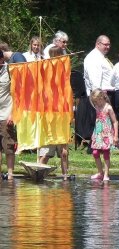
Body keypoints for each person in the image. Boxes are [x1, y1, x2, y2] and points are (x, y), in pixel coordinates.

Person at [38, 46, 69, 180]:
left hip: (61, 114)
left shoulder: (64, 69)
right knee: (46, 150)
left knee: (63, 150)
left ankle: (65, 175)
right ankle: (38, 173)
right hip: (49, 114)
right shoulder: (45, 69)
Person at [89, 89, 119, 181]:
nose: (96, 102)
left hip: (106, 133)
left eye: (97, 100)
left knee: (106, 153)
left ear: (102, 97)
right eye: (94, 100)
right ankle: (100, 172)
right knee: (95, 152)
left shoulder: (108, 108)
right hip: (98, 133)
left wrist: (115, 136)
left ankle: (106, 174)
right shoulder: (96, 106)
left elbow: (115, 121)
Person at [0, 50, 17, 180]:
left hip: (6, 113)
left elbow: (16, 95)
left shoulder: (10, 71)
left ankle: (10, 174)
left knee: (9, 146)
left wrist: (12, 114)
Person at [83, 35, 114, 99]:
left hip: (107, 95)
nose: (108, 47)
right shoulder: (93, 58)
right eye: (105, 44)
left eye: (109, 45)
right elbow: (95, 82)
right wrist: (99, 100)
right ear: (98, 44)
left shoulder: (100, 56)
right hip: (102, 96)